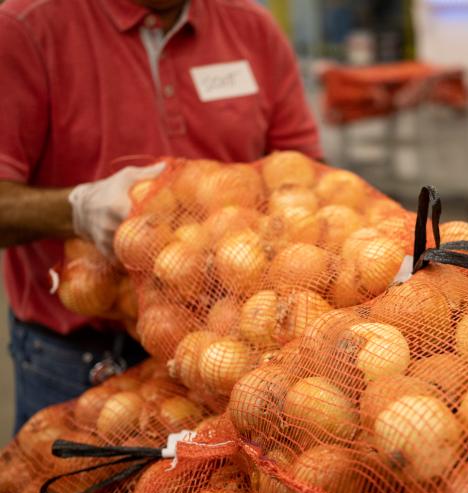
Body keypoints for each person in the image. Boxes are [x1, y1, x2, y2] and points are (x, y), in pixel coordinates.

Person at [0, 0, 322, 432]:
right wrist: (77, 209)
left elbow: (306, 174)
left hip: (235, 356)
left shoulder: (252, 26)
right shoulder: (25, 28)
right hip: (82, 361)